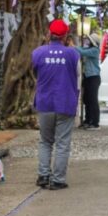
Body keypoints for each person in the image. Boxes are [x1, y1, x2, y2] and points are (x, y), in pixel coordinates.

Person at [33, 20, 81, 190]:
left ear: (49, 33)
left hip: (45, 103)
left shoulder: (37, 53)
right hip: (65, 103)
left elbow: (35, 74)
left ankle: (43, 175)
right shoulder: (73, 54)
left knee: (45, 141)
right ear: (66, 35)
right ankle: (58, 179)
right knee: (62, 143)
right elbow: (78, 80)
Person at [77, 35, 102, 130]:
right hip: (87, 77)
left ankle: (95, 123)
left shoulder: (95, 50)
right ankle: (88, 120)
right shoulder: (90, 49)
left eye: (89, 40)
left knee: (93, 100)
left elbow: (81, 51)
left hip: (94, 77)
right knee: (87, 100)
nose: (88, 41)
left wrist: (72, 46)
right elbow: (82, 49)